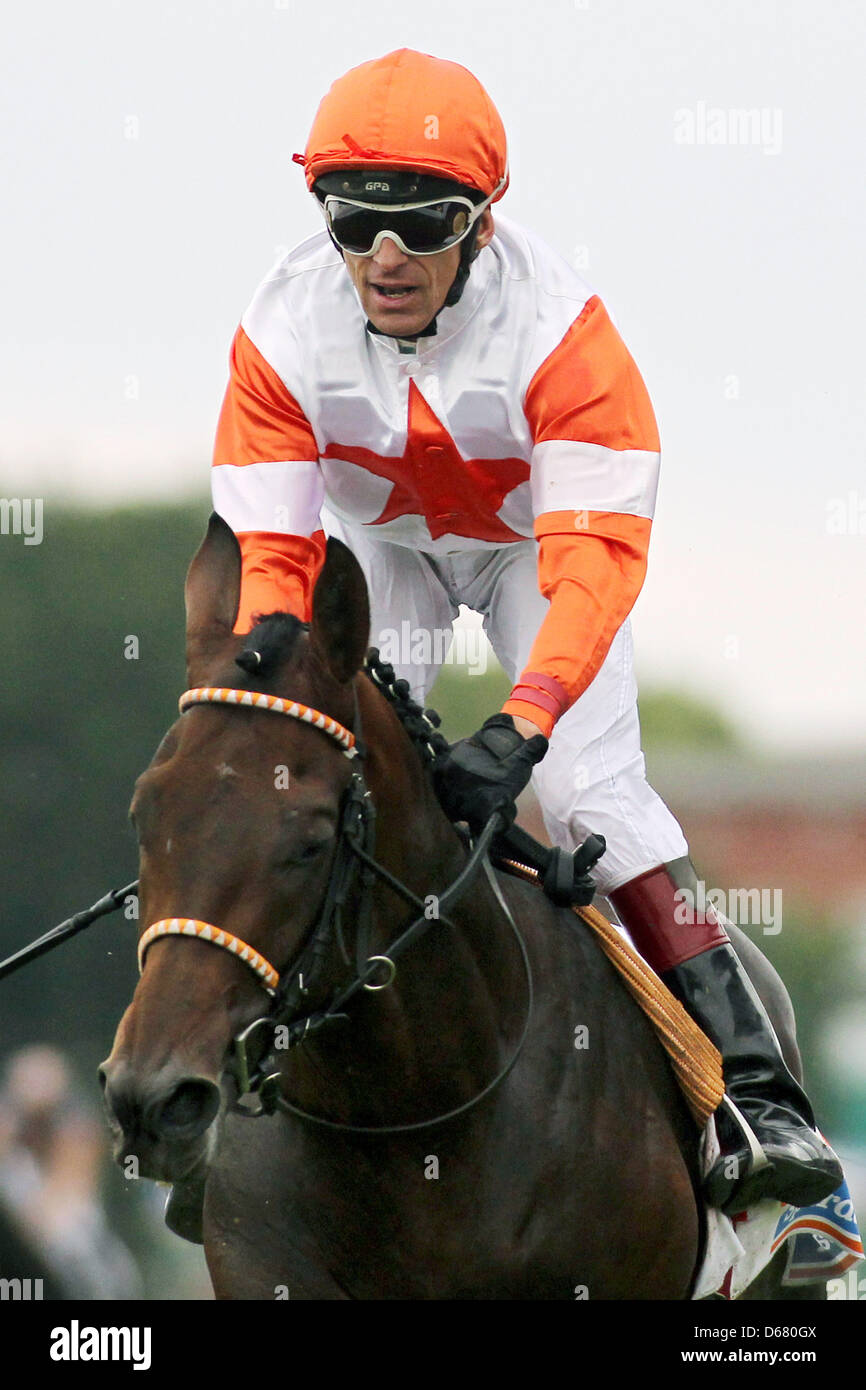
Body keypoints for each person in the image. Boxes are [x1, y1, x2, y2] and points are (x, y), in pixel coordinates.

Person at [210, 47, 841, 1214]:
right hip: (381, 551)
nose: (384, 258)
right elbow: (274, 554)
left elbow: (592, 564)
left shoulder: (564, 336)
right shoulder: (278, 327)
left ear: (483, 224)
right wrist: (267, 659)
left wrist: (523, 720)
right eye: (354, 225)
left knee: (596, 797)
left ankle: (759, 1100)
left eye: (423, 222)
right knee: (296, 777)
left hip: (531, 553)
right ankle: (229, 1074)